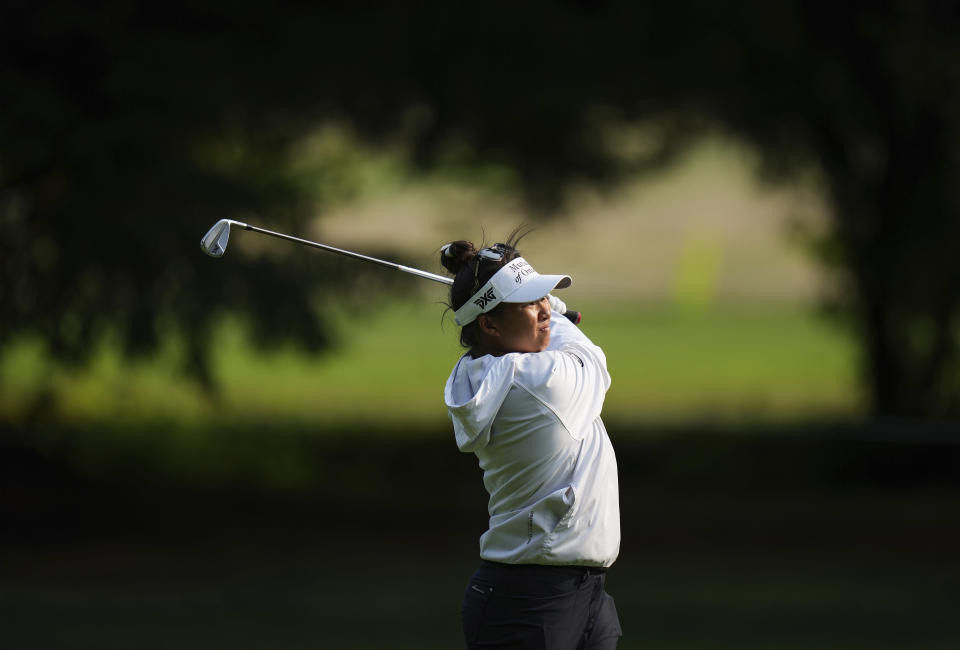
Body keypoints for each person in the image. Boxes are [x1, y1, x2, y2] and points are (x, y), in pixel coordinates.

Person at [440, 233, 622, 649]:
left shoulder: (485, 370)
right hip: (530, 601)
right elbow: (593, 358)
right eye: (529, 301)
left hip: (579, 592)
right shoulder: (539, 384)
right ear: (488, 324)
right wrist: (556, 315)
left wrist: (537, 310)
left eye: (543, 297)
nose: (542, 309)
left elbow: (538, 337)